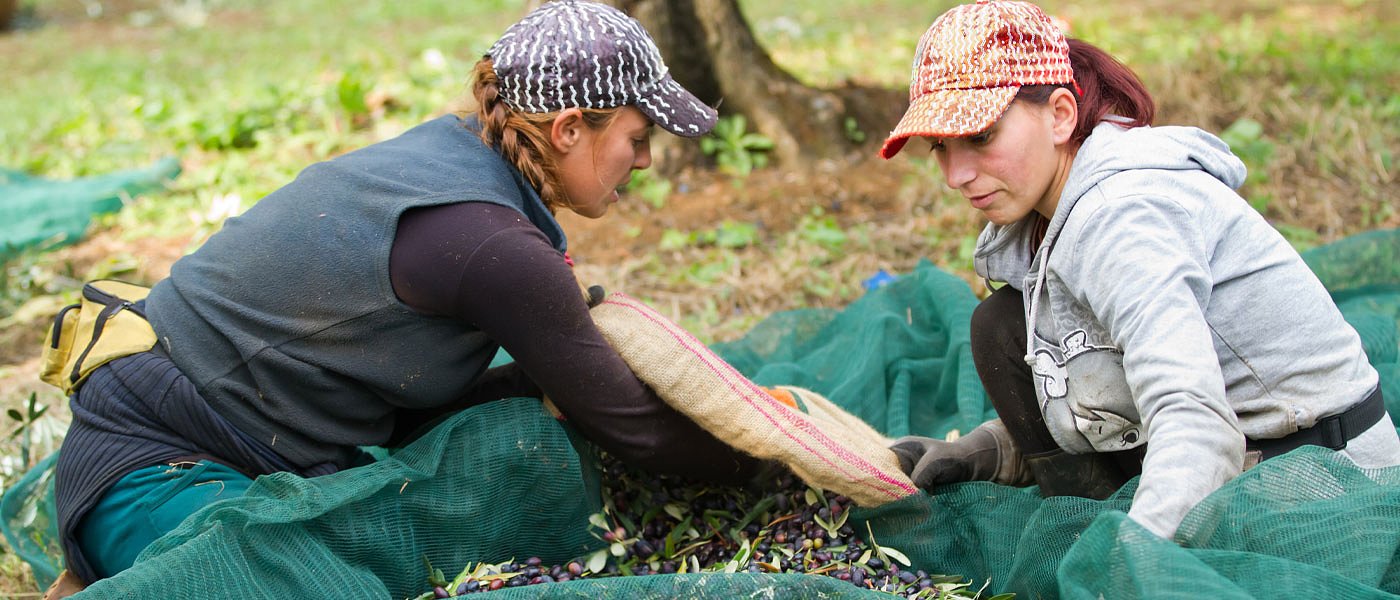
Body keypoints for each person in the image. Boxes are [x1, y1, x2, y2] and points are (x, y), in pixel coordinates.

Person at [49, 0, 765, 588]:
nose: (646, 159)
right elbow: (633, 428)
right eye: (638, 138)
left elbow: (511, 388)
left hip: (255, 447)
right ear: (570, 129)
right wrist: (787, 463)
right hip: (154, 469)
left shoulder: (465, 149)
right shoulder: (493, 245)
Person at [879, 0, 1400, 540]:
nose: (956, 175)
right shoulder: (1054, 210)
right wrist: (990, 451)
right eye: (940, 147)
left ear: (1059, 115)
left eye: (981, 136)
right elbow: (1103, 366)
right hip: (1241, 447)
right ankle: (1080, 521)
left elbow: (1196, 419)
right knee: (1002, 325)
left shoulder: (1121, 216)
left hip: (1316, 483)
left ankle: (1098, 536)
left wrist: (1133, 557)